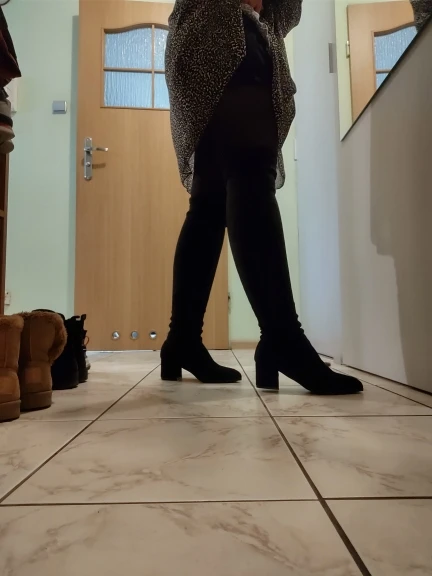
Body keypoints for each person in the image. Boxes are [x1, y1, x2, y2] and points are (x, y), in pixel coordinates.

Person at [161, 0, 363, 394]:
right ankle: (282, 338)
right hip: (227, 36)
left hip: (202, 36)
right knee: (251, 172)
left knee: (209, 203)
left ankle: (182, 339)